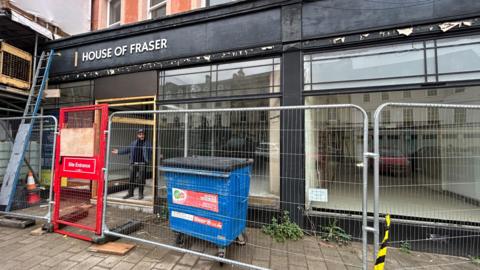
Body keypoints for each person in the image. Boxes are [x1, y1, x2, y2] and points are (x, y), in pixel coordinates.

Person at [112, 129, 152, 200]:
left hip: (142, 164)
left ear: (144, 135)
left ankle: (140, 194)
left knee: (141, 179)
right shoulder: (134, 143)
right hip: (133, 163)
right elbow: (127, 150)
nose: (141, 135)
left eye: (143, 134)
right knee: (131, 179)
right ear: (137, 135)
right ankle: (130, 193)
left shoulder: (147, 143)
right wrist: (118, 152)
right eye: (140, 134)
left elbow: (152, 151)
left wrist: (151, 158)